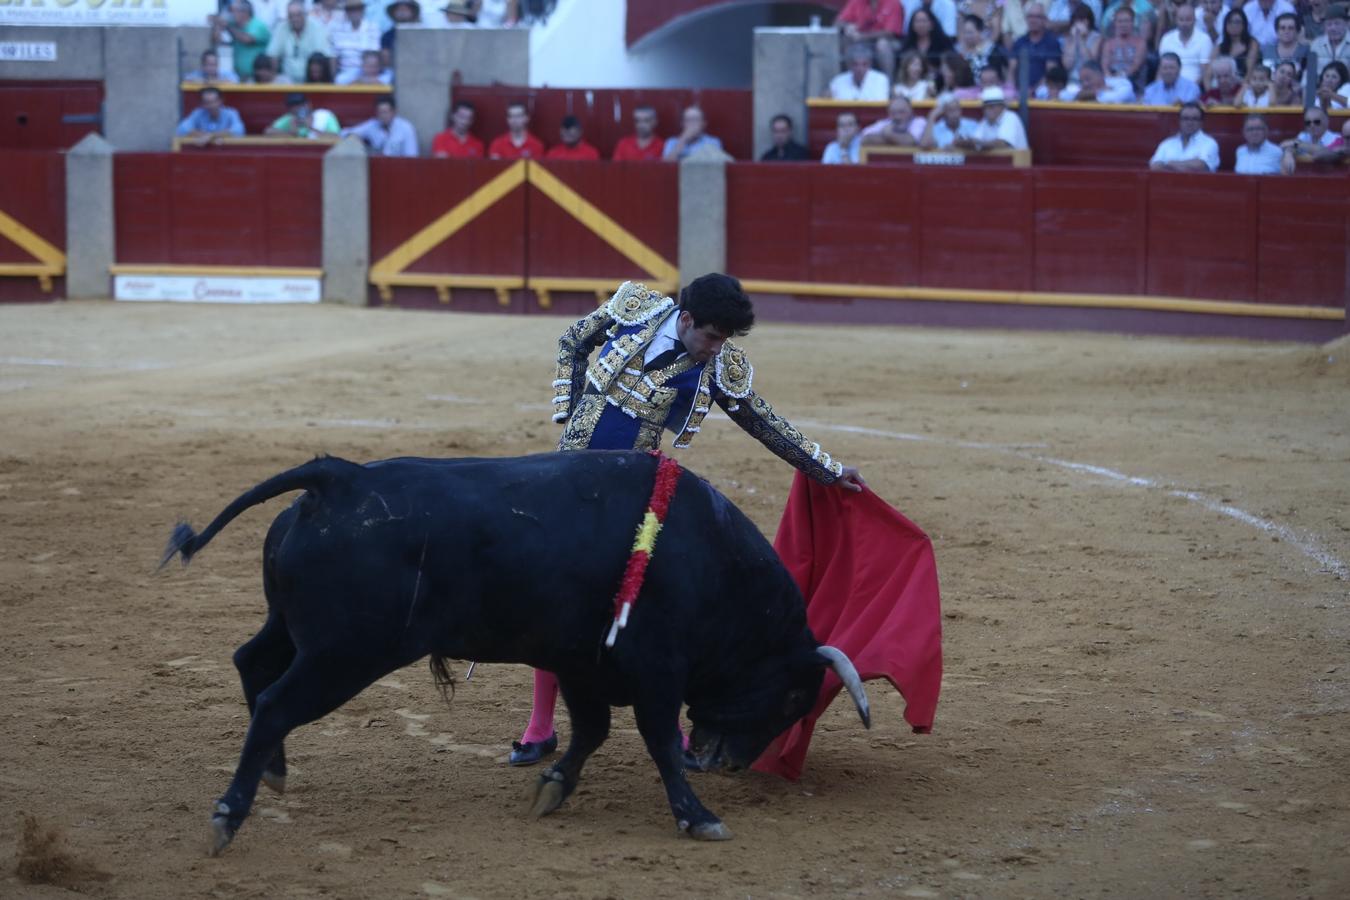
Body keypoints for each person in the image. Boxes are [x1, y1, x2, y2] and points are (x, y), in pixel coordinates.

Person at [508, 276, 866, 767]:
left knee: (651, 604)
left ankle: (671, 728)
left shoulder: (717, 366)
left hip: (628, 495)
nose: (715, 349)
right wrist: (569, 411)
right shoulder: (633, 307)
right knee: (556, 598)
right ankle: (540, 726)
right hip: (567, 481)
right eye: (712, 336)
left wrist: (825, 469)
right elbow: (573, 340)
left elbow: (761, 419)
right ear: (687, 318)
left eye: (725, 340)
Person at [836, 0, 906, 77]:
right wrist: (847, 27)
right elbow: (838, 22)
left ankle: (888, 82)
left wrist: (862, 37)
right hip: (861, 40)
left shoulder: (893, 3)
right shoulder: (856, 2)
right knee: (847, 39)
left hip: (889, 41)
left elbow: (890, 33)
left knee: (882, 44)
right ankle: (851, 79)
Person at [267, 2, 332, 83]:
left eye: (298, 15)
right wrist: (273, 77)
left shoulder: (317, 28)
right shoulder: (281, 28)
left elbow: (326, 57)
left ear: (305, 15)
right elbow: (272, 56)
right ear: (287, 17)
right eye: (291, 16)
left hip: (311, 79)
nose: (295, 19)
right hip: (287, 80)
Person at [1149, 101, 1220, 170]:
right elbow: (1155, 166)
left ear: (1201, 122)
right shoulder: (1167, 143)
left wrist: (1170, 164)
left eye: (1194, 119)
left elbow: (1201, 166)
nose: (1189, 123)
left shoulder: (1210, 143)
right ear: (1179, 121)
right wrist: (1187, 165)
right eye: (1185, 118)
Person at [213, 1, 272, 81]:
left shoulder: (257, 25)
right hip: (237, 76)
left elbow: (246, 39)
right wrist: (218, 25)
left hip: (257, 78)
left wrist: (227, 27)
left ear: (244, 12)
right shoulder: (233, 25)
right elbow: (216, 40)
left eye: (233, 11)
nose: (231, 14)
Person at [343, 95, 418, 156]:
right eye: (380, 112)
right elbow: (345, 133)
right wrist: (353, 137)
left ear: (393, 112)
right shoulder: (372, 125)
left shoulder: (406, 128)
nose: (383, 116)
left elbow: (412, 157)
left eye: (385, 112)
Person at [1159, 4, 1215, 84]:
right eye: (1181, 20)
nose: (1184, 23)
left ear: (1195, 20)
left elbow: (1205, 72)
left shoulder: (1204, 40)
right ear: (1176, 20)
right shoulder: (1167, 39)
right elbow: (1161, 69)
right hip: (1168, 86)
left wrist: (1190, 89)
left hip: (1194, 87)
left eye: (1188, 20)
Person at [960, 86, 1029, 149]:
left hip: (1016, 161)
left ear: (1002, 106)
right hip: (995, 161)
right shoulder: (985, 121)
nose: (987, 110)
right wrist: (965, 142)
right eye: (985, 107)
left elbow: (1002, 144)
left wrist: (979, 143)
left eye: (991, 107)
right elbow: (976, 141)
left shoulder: (1011, 117)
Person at [1012, 3, 1064, 87]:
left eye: (1037, 17)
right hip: (1019, 90)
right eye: (1030, 16)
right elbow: (1011, 69)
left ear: (1044, 20)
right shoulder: (1019, 42)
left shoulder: (1052, 43)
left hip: (1043, 90)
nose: (1033, 20)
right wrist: (1012, 88)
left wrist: (1033, 90)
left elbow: (1050, 72)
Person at [330, 0, 381, 83]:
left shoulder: (373, 28)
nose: (354, 12)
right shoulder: (337, 29)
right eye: (351, 10)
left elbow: (374, 55)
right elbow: (334, 57)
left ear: (363, 10)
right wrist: (333, 77)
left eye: (358, 9)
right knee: (339, 80)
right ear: (346, 12)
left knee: (385, 79)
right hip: (346, 73)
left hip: (368, 72)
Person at [176, 87, 245, 143]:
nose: (210, 106)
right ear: (202, 103)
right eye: (206, 102)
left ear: (220, 101)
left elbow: (238, 131)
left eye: (213, 102)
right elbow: (182, 129)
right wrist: (204, 135)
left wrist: (211, 136)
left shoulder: (231, 113)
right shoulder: (198, 113)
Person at [1099, 6, 1147, 86]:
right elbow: (1105, 65)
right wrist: (1109, 77)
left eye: (1126, 21)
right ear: (1115, 23)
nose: (1123, 24)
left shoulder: (1140, 43)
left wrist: (1122, 76)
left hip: (1133, 81)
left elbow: (1136, 65)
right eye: (1120, 21)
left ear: (1132, 22)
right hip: (1111, 80)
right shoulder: (1108, 44)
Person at [827, 43, 893, 100]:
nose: (860, 68)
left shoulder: (881, 80)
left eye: (864, 64)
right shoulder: (838, 81)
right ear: (849, 65)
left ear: (869, 65)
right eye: (855, 64)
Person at [958, 14, 1009, 82]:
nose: (967, 36)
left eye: (970, 32)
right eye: (965, 32)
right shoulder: (959, 51)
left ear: (980, 31)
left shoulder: (992, 50)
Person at [265, 91, 340, 138]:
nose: (296, 108)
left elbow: (336, 137)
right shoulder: (289, 118)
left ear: (308, 104)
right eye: (292, 106)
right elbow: (268, 132)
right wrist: (291, 133)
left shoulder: (324, 116)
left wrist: (311, 128)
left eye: (299, 104)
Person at [861, 96, 928, 147]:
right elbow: (865, 139)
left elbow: (911, 142)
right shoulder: (885, 123)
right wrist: (896, 141)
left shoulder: (919, 122)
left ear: (910, 111)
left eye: (901, 112)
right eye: (893, 113)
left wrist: (889, 135)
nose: (897, 117)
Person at [1211, 8, 1260, 78]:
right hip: (1221, 85)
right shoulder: (1219, 47)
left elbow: (1250, 72)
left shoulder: (1252, 44)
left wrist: (1241, 88)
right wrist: (1209, 88)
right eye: (1230, 22)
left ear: (1244, 25)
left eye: (1237, 22)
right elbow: (1208, 73)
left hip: (1243, 84)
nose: (1233, 25)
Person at [1060, 4, 1102, 83]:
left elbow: (1090, 63)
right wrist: (1075, 39)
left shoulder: (1097, 38)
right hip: (1071, 80)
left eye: (1082, 20)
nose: (1079, 24)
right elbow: (1067, 65)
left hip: (1090, 80)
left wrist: (1082, 40)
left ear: (1089, 21)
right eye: (1077, 20)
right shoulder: (1068, 38)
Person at [1309, 5, 1350, 73]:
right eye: (1329, 24)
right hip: (1320, 83)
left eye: (1337, 23)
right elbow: (1310, 72)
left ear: (1346, 24)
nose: (1333, 28)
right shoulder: (1316, 44)